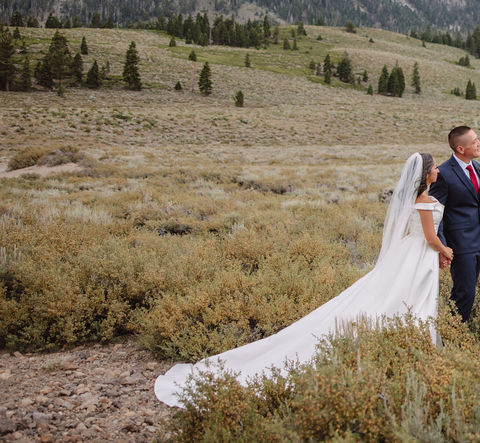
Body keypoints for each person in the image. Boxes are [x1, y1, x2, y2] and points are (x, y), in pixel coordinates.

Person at [154, 152, 452, 408]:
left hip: (410, 254)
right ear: (426, 173)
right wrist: (446, 249)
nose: (438, 170)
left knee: (408, 298)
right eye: (435, 166)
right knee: (412, 298)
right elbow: (429, 236)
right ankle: (413, 353)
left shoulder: (419, 198)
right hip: (418, 254)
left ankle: (412, 351)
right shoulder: (424, 200)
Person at [430, 126, 480, 323]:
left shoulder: (477, 167)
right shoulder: (444, 174)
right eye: (474, 142)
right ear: (460, 149)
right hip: (459, 244)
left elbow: (479, 206)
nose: (479, 143)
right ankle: (453, 333)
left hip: (478, 240)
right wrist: (442, 247)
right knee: (464, 293)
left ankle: (454, 330)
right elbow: (436, 214)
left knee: (469, 291)